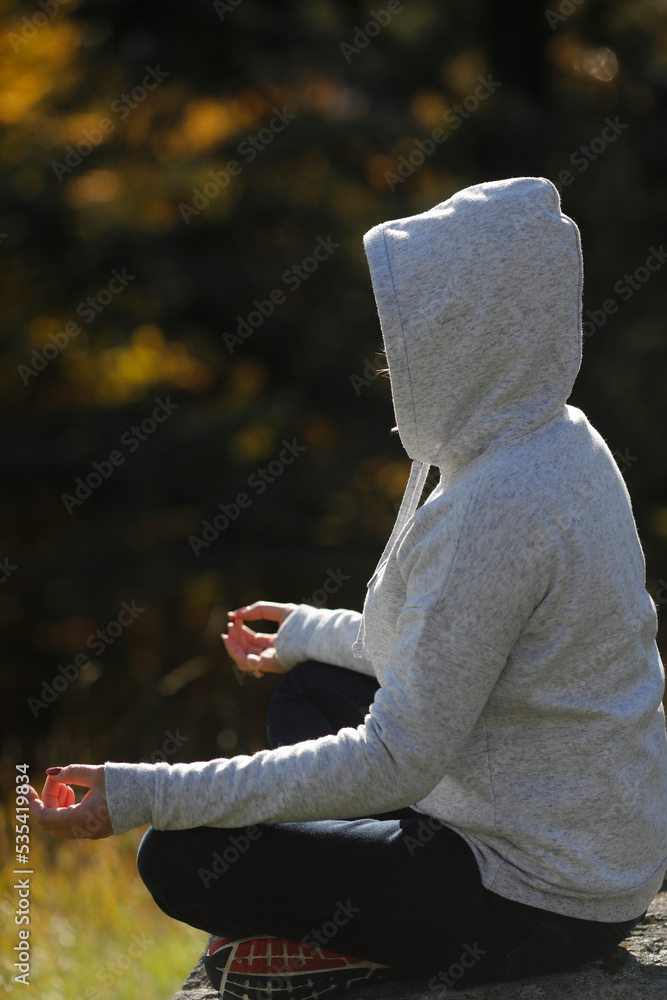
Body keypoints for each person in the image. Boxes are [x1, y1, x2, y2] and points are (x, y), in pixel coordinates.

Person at [29, 177, 667, 999]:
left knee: (178, 854)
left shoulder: (497, 505)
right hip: (576, 830)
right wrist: (306, 633)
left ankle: (355, 941)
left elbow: (395, 758)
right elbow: (443, 644)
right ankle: (353, 898)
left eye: (417, 327)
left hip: (545, 893)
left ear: (471, 334)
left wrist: (146, 791)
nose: (391, 352)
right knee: (312, 687)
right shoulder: (556, 435)